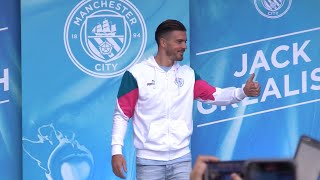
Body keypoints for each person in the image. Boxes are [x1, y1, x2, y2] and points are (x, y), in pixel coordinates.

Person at [111, 19, 260, 179]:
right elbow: (122, 115)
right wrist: (116, 151)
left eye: (185, 41)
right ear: (163, 42)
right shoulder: (136, 74)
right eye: (179, 41)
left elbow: (215, 95)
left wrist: (242, 91)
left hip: (182, 160)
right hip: (149, 162)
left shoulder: (188, 75)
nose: (184, 46)